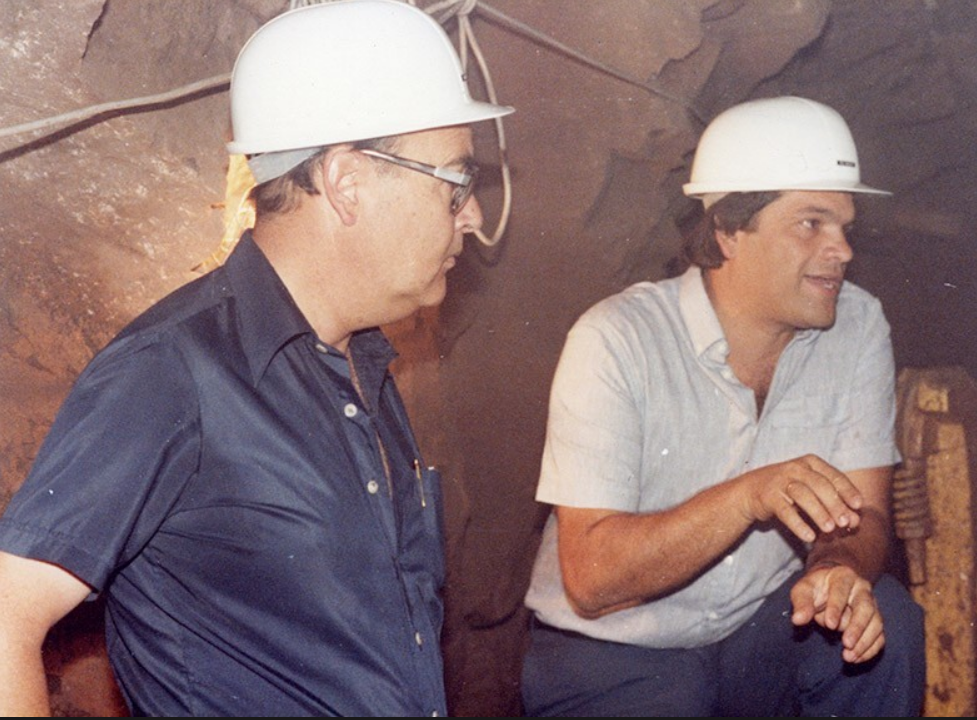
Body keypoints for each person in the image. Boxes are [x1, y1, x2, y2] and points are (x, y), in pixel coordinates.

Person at [0, 0, 513, 716]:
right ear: (346, 181)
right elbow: (6, 614)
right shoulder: (172, 371)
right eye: (454, 182)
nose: (475, 214)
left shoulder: (362, 368)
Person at [521, 96, 925, 717]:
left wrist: (838, 569)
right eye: (810, 223)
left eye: (845, 226)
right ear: (729, 231)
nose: (841, 249)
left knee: (886, 620)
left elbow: (866, 512)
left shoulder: (858, 325)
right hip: (616, 651)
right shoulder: (616, 339)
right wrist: (747, 496)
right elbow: (592, 579)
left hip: (755, 637)